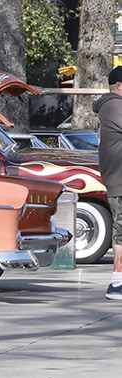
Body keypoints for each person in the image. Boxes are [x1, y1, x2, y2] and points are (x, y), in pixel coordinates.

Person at [94, 66, 122, 299]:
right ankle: (117, 283)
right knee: (121, 232)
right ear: (119, 86)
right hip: (120, 181)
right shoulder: (114, 105)